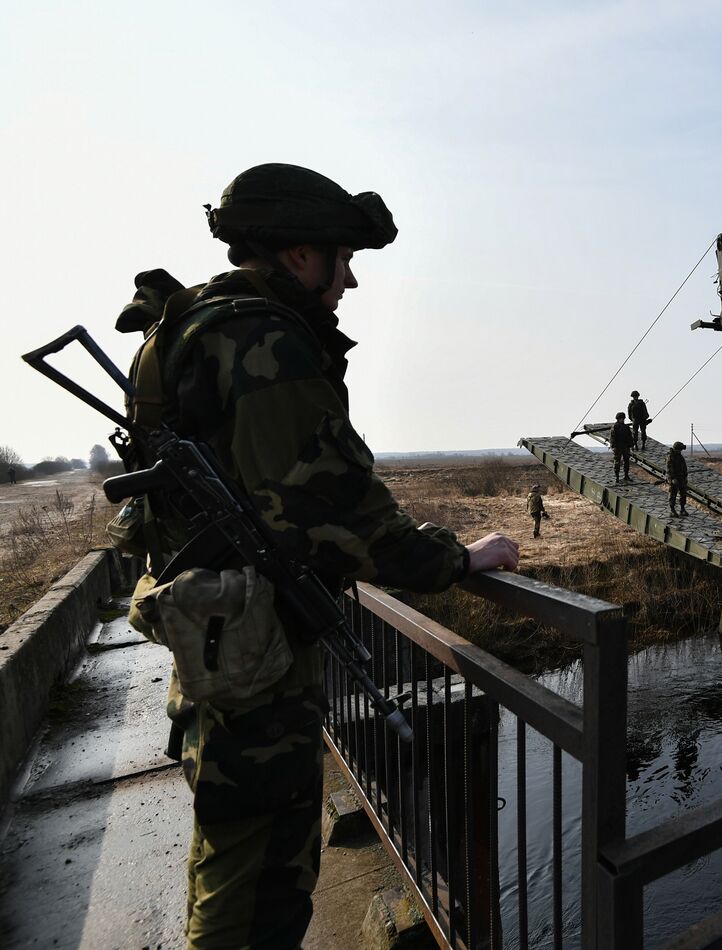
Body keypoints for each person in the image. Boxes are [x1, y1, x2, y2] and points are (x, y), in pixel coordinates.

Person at [131, 163, 520, 949]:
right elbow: (336, 510)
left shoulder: (183, 327)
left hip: (217, 642)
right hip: (256, 667)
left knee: (228, 863)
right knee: (256, 883)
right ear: (297, 254)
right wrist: (460, 560)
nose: (349, 279)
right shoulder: (265, 339)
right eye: (341, 259)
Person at [667, 441, 689, 516]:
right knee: (673, 494)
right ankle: (672, 510)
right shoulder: (671, 457)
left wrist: (685, 477)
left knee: (683, 493)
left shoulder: (679, 456)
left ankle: (682, 509)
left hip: (681, 478)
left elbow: (684, 467)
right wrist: (673, 478)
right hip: (674, 479)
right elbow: (669, 469)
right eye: (680, 449)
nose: (681, 451)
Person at [610, 411, 634, 482]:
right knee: (617, 462)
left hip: (626, 446)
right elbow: (612, 438)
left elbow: (630, 437)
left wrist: (631, 445)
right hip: (618, 447)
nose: (622, 420)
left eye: (623, 418)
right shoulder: (615, 427)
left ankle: (626, 476)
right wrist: (613, 447)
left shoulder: (626, 427)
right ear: (618, 419)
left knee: (627, 461)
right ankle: (616, 477)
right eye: (621, 418)